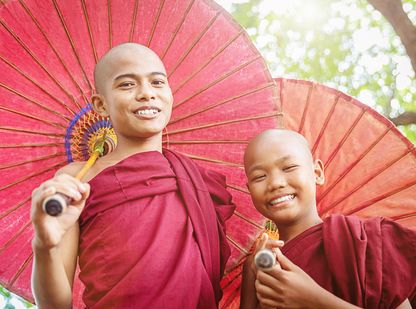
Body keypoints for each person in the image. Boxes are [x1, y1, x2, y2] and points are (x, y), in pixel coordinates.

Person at [30, 43, 235, 308]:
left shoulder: (196, 182)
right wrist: (44, 245)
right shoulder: (77, 179)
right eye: (127, 85)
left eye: (157, 82)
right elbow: (55, 305)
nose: (147, 93)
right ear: (101, 104)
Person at [240, 128, 415, 309]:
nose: (276, 183)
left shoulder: (365, 242)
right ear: (249, 189)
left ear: (317, 173)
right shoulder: (259, 262)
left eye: (289, 167)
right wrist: (255, 274)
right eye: (259, 176)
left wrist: (313, 300)